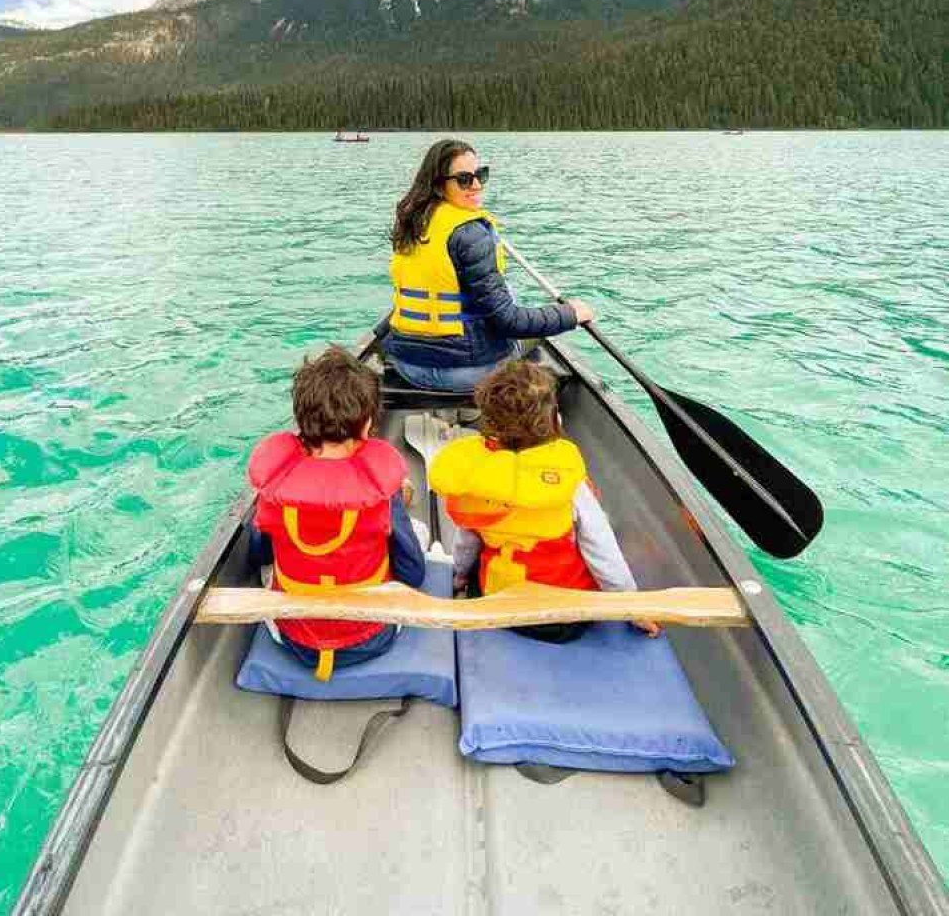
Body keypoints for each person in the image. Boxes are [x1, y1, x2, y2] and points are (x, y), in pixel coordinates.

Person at [429, 357, 659, 640]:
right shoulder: (571, 487)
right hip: (561, 618)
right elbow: (602, 551)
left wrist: (461, 577)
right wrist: (631, 608)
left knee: (482, 558)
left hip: (497, 607)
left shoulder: (476, 483)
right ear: (554, 420)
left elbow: (467, 543)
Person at [247, 346, 426, 681]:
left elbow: (258, 553)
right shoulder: (381, 493)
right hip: (372, 637)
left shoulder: (275, 487)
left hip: (291, 638)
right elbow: (412, 573)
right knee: (416, 533)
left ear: (303, 420)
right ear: (367, 425)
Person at [384, 137, 594, 393]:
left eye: (480, 175)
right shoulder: (471, 234)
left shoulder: (412, 223)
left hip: (408, 365)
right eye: (464, 179)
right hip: (465, 373)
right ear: (439, 185)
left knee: (502, 294)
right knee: (524, 321)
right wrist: (571, 314)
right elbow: (507, 321)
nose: (475, 185)